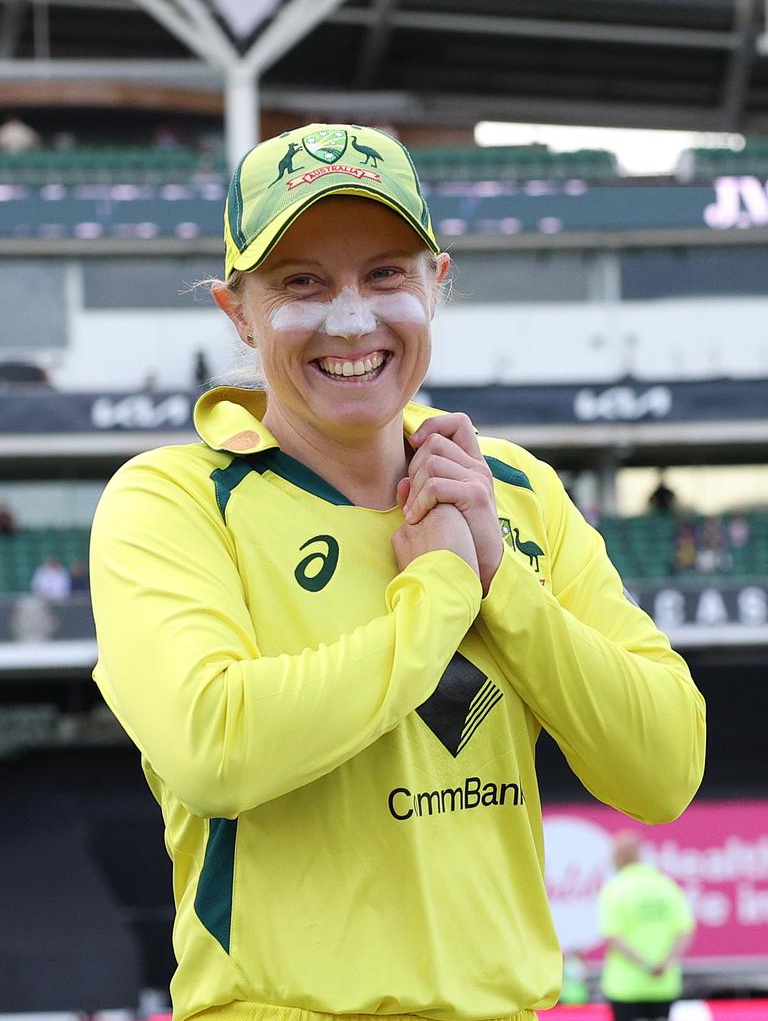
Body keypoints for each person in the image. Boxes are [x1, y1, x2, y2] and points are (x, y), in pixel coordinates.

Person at [89, 123, 706, 1021]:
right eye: (302, 282)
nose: (351, 319)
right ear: (238, 312)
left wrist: (504, 582)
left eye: (386, 274)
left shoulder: (518, 492)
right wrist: (444, 596)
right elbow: (213, 748)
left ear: (435, 284)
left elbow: (666, 768)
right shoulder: (174, 501)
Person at [598, 831, 695, 1021]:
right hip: (663, 984)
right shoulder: (666, 885)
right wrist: (664, 963)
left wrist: (646, 965)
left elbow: (613, 938)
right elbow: (685, 932)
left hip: (626, 986)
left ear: (619, 857)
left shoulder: (615, 889)